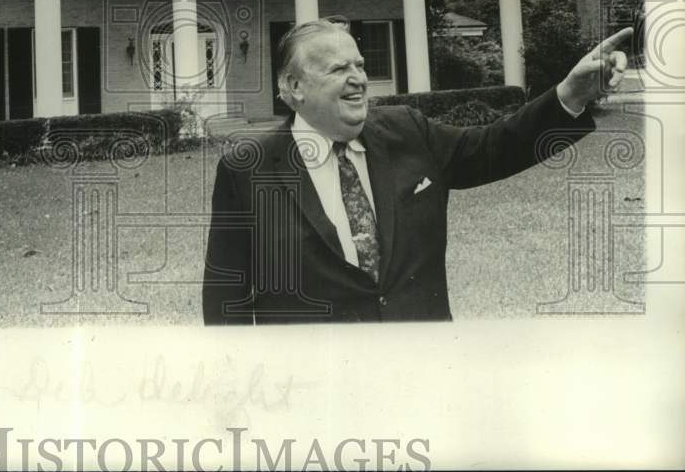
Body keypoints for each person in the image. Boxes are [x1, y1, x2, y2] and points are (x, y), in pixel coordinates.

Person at [202, 19, 632, 324]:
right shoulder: (248, 170)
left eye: (360, 65)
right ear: (293, 87)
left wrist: (569, 96)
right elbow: (226, 300)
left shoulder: (407, 130)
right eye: (338, 69)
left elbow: (496, 147)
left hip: (423, 373)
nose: (358, 79)